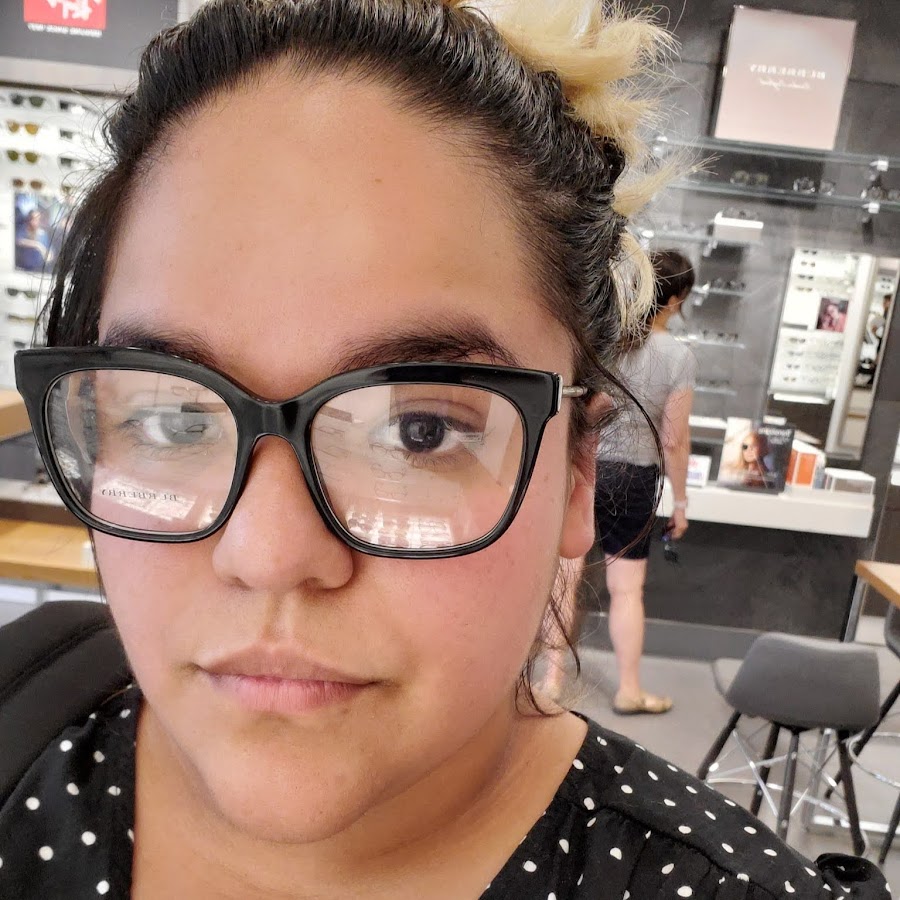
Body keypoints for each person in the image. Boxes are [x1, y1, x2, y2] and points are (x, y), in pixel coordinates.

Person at [0, 2, 886, 897]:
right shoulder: (22, 727)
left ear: (578, 471)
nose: (268, 556)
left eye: (418, 431)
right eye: (173, 420)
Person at [544, 249, 696, 715]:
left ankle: (550, 681)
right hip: (635, 478)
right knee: (627, 589)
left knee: (564, 578)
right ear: (676, 299)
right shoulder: (678, 356)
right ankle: (629, 689)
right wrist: (681, 502)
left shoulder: (604, 342)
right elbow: (674, 440)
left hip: (585, 467)